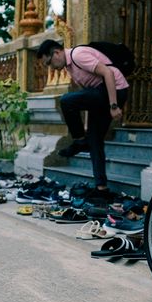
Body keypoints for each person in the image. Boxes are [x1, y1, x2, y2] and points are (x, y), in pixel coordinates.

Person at [36, 39, 129, 193]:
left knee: (66, 101)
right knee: (94, 140)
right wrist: (86, 126)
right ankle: (102, 188)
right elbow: (88, 98)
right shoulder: (70, 68)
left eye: (49, 63)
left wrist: (114, 106)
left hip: (115, 90)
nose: (51, 67)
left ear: (57, 53)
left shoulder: (78, 55)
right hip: (101, 93)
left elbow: (108, 73)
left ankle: (79, 142)